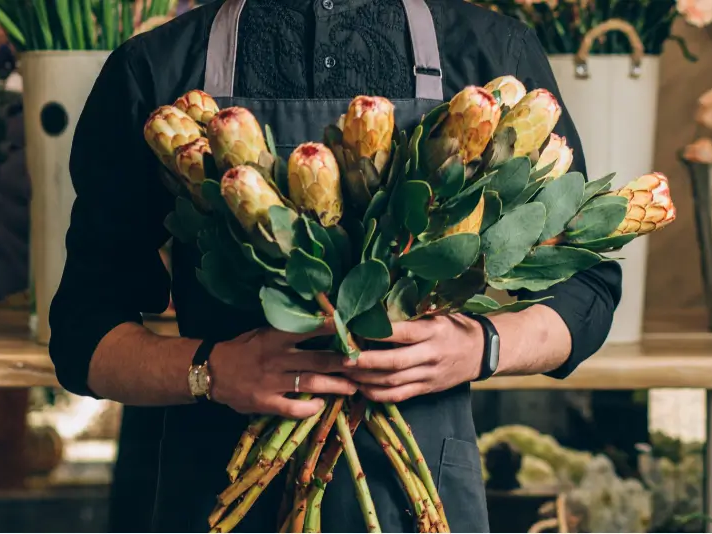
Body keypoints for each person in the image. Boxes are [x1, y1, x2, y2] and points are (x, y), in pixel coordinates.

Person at [49, 0, 622, 531]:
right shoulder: (155, 68)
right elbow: (83, 336)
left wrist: (483, 345)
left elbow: (586, 291)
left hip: (418, 498)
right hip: (221, 490)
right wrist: (214, 371)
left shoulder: (489, 51)